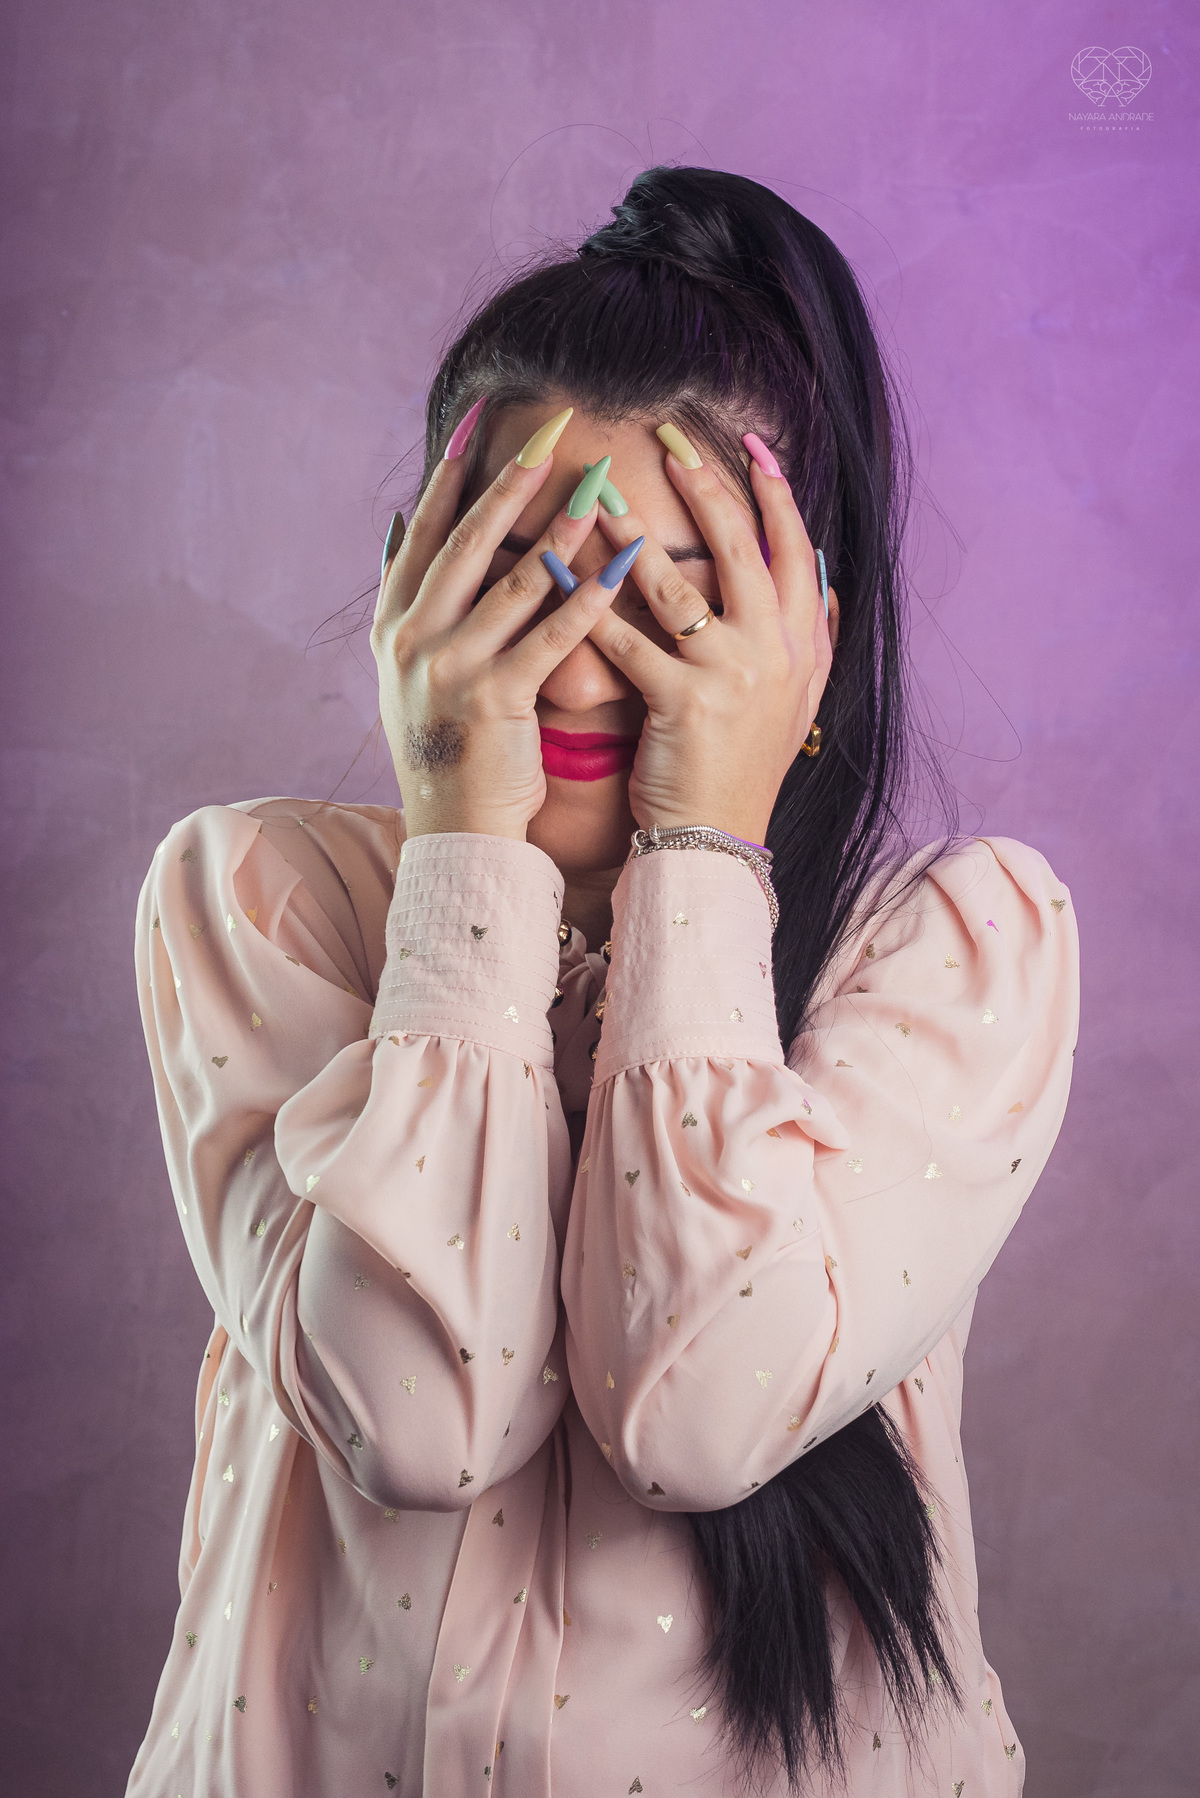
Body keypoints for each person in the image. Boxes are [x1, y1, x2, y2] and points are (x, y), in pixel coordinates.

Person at [127, 167, 1078, 1797]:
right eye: (519, 571)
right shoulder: (258, 899)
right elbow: (420, 1417)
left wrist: (704, 844)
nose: (576, 664)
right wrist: (467, 850)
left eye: (673, 594)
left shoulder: (959, 944)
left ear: (810, 625)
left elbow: (696, 1412)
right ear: (412, 582)